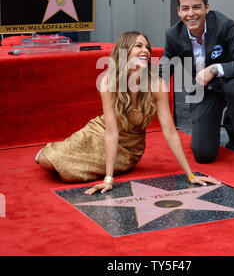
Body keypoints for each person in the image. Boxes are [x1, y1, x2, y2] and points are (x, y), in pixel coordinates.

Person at [35, 31, 221, 194]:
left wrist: (190, 175)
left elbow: (170, 132)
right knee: (46, 161)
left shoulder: (156, 84)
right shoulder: (109, 81)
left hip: (130, 149)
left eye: (147, 47)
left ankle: (62, 154)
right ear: (124, 51)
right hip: (100, 132)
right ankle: (52, 150)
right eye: (138, 46)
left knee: (66, 172)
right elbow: (111, 131)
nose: (146, 50)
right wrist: (109, 178)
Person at [159, 0, 234, 178]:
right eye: (185, 8)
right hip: (204, 91)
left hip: (232, 83)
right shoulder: (173, 35)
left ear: (206, 8)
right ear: (178, 11)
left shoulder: (225, 26)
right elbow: (164, 69)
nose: (191, 14)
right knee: (203, 154)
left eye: (197, 7)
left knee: (233, 87)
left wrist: (215, 69)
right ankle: (229, 117)